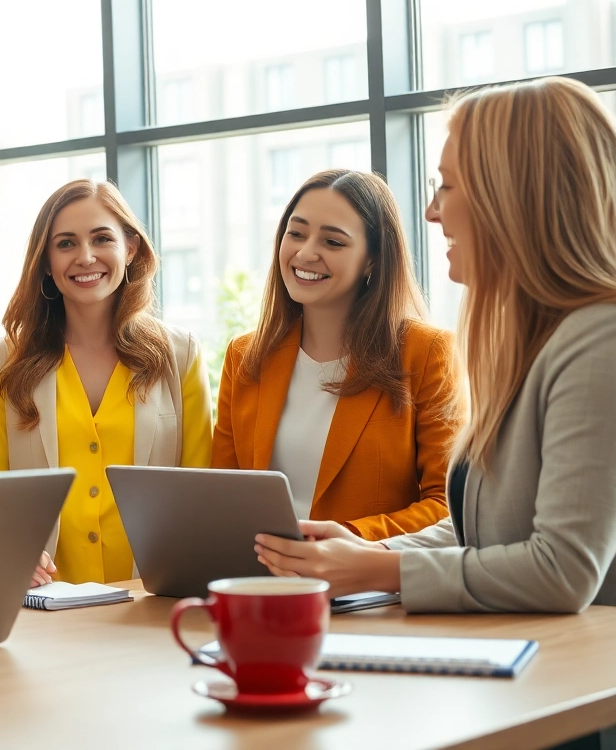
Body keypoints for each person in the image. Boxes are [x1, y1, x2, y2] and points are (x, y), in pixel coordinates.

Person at [255, 76, 616, 613]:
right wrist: (365, 553)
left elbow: (561, 570)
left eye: (445, 187)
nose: (430, 212)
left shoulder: (598, 341)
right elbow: (484, 536)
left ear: (511, 195)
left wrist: (379, 567)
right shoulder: (531, 343)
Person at [0, 179, 213, 585]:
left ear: (130, 248)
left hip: (152, 599)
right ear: (46, 260)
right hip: (45, 605)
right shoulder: (3, 359)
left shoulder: (181, 354)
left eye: (102, 239)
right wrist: (8, 553)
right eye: (65, 243)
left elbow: (202, 489)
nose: (86, 257)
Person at [213, 169, 462, 540]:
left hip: (368, 588)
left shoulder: (425, 353)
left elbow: (449, 506)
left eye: (333, 242)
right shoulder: (246, 356)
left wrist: (350, 537)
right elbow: (222, 496)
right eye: (296, 233)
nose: (306, 252)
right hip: (263, 583)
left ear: (373, 260)